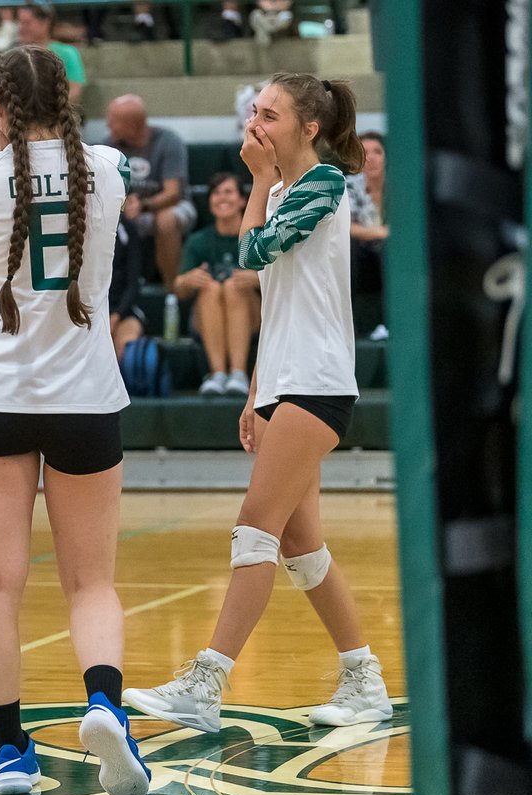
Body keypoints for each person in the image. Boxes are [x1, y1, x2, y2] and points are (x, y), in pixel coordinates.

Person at [123, 74, 393, 733]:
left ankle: (207, 681)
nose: (256, 122)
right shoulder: (282, 189)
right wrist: (254, 390)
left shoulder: (323, 185)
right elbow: (278, 303)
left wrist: (255, 185)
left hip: (318, 382)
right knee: (301, 545)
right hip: (282, 381)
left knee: (255, 527)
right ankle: (364, 680)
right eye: (255, 110)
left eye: (270, 114)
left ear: (307, 130)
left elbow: (251, 255)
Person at [0, 45, 150, 795]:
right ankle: (104, 704)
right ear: (68, 100)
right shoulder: (111, 169)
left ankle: (8, 752)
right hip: (87, 399)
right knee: (91, 582)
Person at [173, 172, 259, 396]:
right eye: (216, 193)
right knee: (211, 288)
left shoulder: (256, 237)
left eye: (228, 192)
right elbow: (179, 288)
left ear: (242, 200)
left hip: (254, 315)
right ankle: (218, 374)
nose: (222, 198)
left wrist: (258, 278)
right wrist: (189, 279)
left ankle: (239, 373)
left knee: (233, 286)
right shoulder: (198, 240)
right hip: (208, 315)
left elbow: (281, 281)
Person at [104, 94, 195, 292]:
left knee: (165, 220)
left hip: (171, 206)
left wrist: (143, 206)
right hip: (125, 208)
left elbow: (173, 194)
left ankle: (173, 289)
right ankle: (114, 291)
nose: (107, 125)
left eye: (113, 121)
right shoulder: (108, 146)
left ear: (133, 125)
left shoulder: (168, 141)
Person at [346, 131, 387, 340]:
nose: (371, 157)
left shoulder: (402, 186)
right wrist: (381, 232)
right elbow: (346, 226)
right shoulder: (350, 185)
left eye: (377, 152)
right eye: (365, 152)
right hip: (361, 254)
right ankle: (350, 328)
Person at [16, 0, 85, 104]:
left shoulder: (67, 52)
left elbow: (75, 90)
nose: (21, 28)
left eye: (27, 23)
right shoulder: (13, 55)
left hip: (56, 112)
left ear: (45, 23)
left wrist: (46, 110)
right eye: (19, 22)